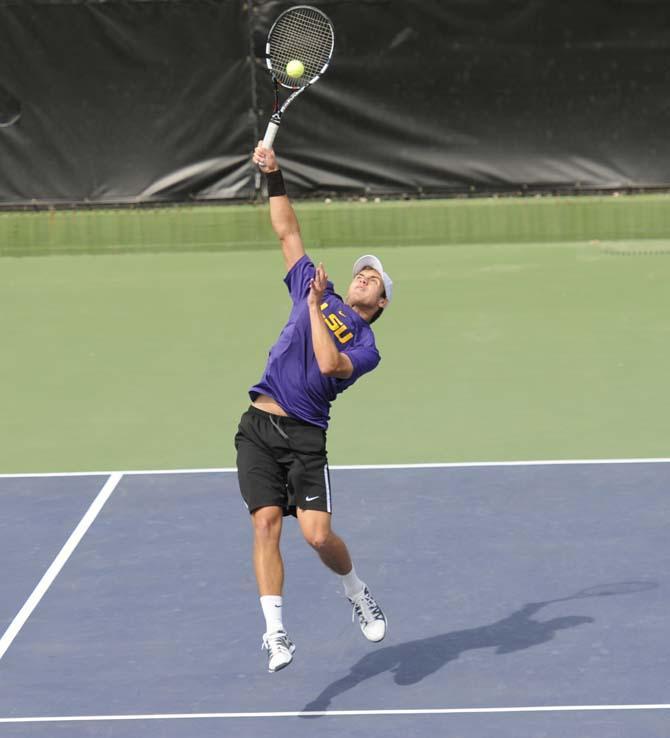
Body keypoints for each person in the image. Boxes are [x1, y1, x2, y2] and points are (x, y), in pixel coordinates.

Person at [234, 142, 393, 673]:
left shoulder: (365, 347)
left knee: (317, 535)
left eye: (374, 279)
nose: (364, 276)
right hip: (259, 424)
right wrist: (274, 176)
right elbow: (287, 231)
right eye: (362, 272)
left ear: (381, 305)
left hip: (304, 438)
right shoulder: (314, 286)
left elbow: (328, 365)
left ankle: (355, 588)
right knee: (264, 526)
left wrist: (312, 305)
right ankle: (275, 633)